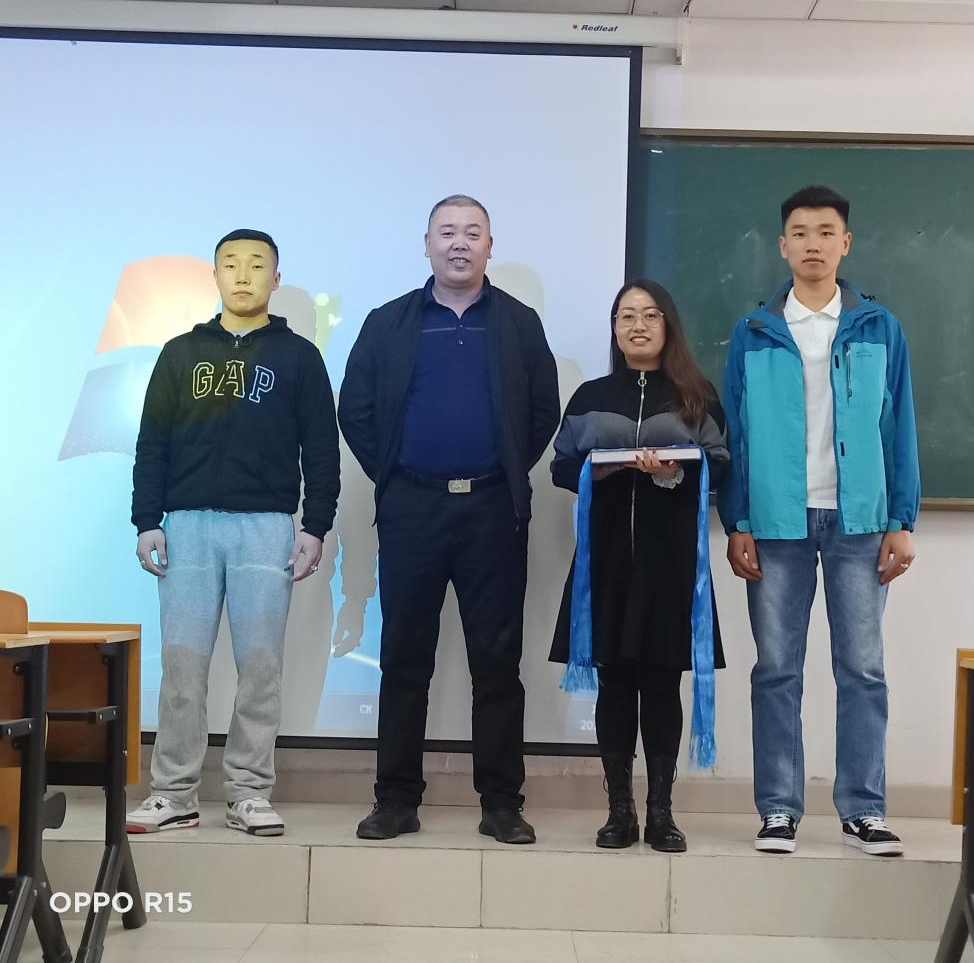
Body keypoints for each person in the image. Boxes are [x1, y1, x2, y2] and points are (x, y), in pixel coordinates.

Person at [339, 195, 560, 844]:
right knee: (404, 658)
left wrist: (506, 466)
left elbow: (543, 409)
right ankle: (395, 799)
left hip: (493, 507)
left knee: (498, 663)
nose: (459, 243)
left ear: (490, 244)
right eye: (447, 232)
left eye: (472, 232)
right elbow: (356, 409)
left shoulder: (518, 323)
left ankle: (501, 803)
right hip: (412, 508)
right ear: (427, 243)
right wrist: (396, 473)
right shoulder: (389, 322)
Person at [719, 186, 920, 857]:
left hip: (859, 521)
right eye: (800, 232)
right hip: (776, 522)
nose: (813, 243)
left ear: (845, 243)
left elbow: (899, 427)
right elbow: (736, 434)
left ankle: (864, 810)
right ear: (783, 246)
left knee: (862, 669)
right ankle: (779, 808)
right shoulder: (753, 331)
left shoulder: (878, 326)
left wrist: (902, 519)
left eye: (825, 231)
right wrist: (737, 519)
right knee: (777, 669)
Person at [127, 229, 340, 837]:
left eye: (256, 265)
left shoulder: (299, 357)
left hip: (266, 527)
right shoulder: (180, 353)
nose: (243, 275)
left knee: (261, 667)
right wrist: (147, 520)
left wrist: (315, 526)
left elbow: (321, 449)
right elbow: (152, 442)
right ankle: (173, 793)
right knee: (182, 668)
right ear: (215, 275)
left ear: (276, 278)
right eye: (230, 265)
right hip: (187, 526)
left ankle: (248, 791)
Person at [549, 280, 728, 852]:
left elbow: (720, 466)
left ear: (667, 325)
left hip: (670, 564)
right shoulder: (590, 395)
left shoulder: (697, 396)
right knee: (615, 681)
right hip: (604, 560)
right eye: (626, 316)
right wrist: (597, 470)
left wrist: (672, 474)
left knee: (661, 681)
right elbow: (560, 466)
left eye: (650, 315)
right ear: (615, 329)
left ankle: (661, 812)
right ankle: (619, 810)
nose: (638, 326)